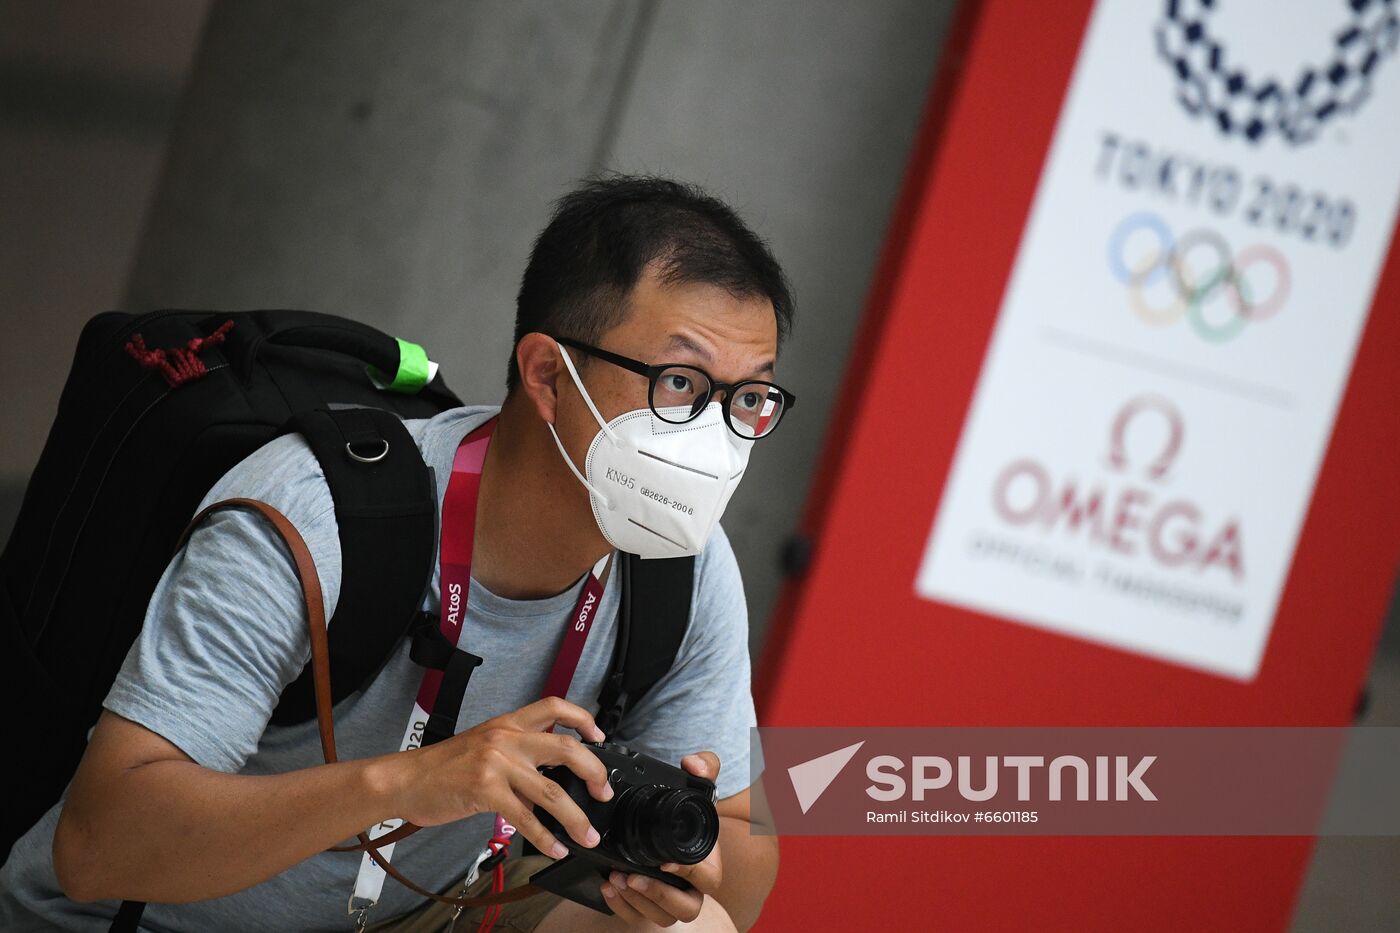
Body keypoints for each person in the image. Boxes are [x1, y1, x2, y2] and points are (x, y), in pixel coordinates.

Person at [0, 174, 795, 931]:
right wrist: (416, 780)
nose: (718, 436)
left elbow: (748, 881)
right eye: (683, 384)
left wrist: (677, 855)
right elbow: (98, 848)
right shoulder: (318, 513)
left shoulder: (682, 564)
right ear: (549, 374)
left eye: (750, 396)